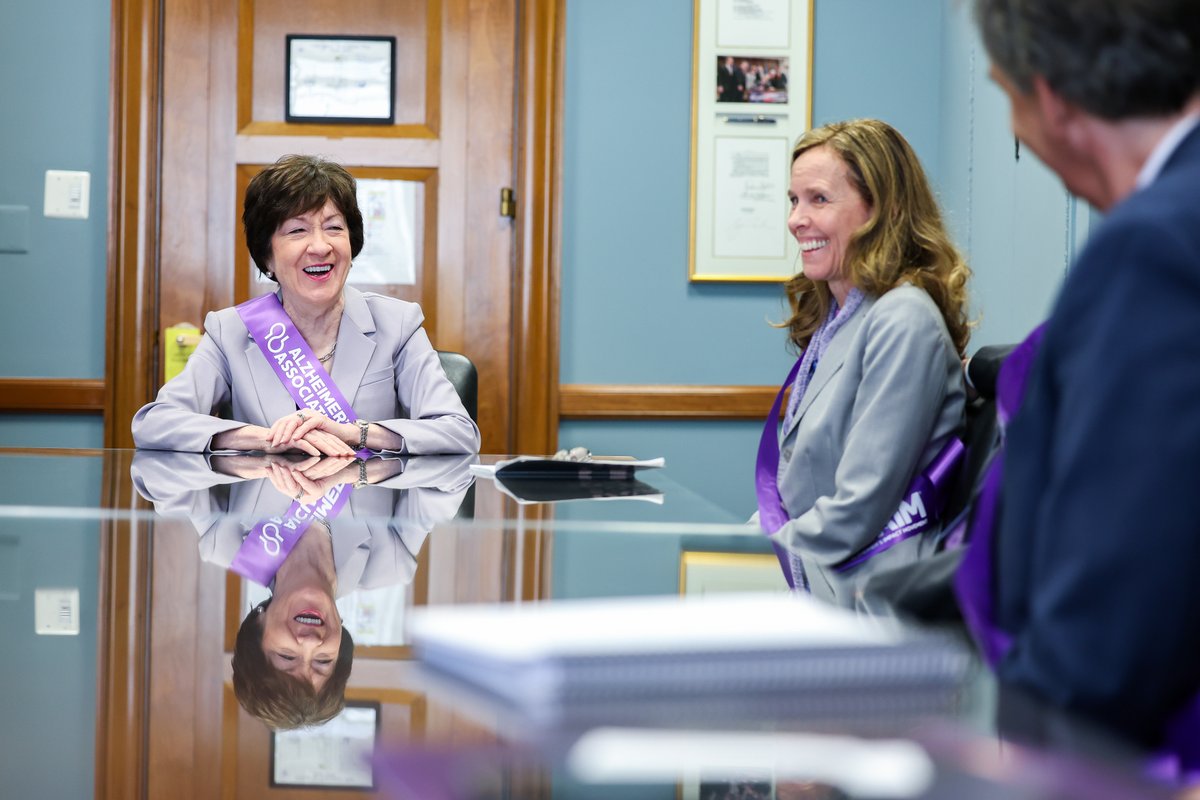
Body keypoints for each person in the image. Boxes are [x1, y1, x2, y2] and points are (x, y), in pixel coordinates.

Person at [960, 0, 1200, 755]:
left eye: (1004, 96)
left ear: (1052, 99)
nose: (1011, 130)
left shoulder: (1151, 249)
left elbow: (1111, 619)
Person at [131, 154, 480, 457]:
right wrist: (266, 439)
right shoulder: (232, 331)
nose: (320, 246)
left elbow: (458, 432)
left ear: (351, 243)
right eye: (297, 231)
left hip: (366, 526)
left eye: (333, 228)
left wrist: (355, 433)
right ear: (267, 255)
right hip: (266, 524)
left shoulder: (397, 324)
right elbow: (155, 424)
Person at [758, 119, 971, 607]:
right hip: (822, 586)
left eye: (818, 199)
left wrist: (745, 561)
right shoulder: (841, 319)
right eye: (793, 200)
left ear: (884, 210)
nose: (796, 219)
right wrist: (726, 544)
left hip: (867, 607)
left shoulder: (904, 319)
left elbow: (855, 512)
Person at [131, 449, 476, 728]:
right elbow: (451, 474)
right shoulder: (391, 560)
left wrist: (249, 450)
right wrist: (364, 451)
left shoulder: (226, 542)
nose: (311, 644)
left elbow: (156, 470)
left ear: (258, 628)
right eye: (324, 661)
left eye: (287, 657)